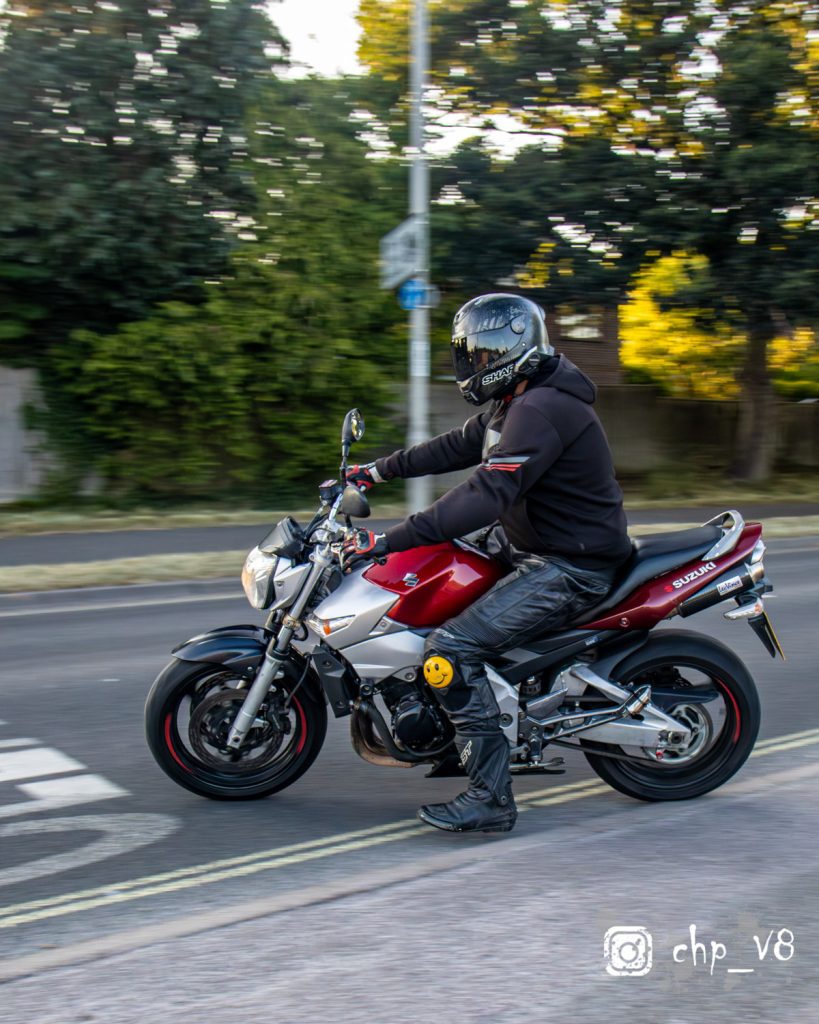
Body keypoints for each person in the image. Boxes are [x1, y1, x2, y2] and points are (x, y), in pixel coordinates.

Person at [342, 293, 631, 834]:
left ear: (511, 352)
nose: (471, 366)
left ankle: (491, 795)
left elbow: (482, 495)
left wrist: (387, 541)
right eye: (467, 356)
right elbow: (457, 446)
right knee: (431, 578)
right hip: (531, 542)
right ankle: (464, 726)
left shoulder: (544, 408)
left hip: (569, 565)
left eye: (478, 356)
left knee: (450, 648)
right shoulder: (517, 401)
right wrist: (375, 472)